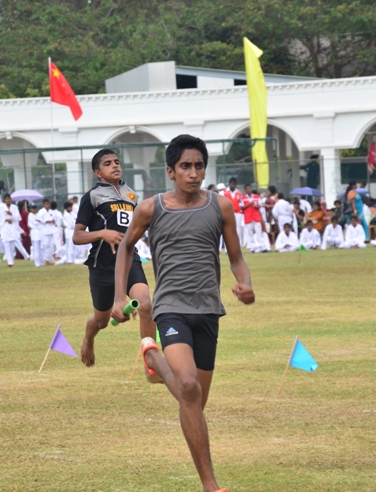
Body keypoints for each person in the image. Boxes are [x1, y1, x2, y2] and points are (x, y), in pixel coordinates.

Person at [112, 134, 254, 492]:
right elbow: (125, 248)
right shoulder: (151, 209)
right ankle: (211, 485)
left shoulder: (220, 207)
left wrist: (245, 283)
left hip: (208, 310)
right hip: (170, 309)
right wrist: (118, 296)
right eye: (186, 166)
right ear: (171, 171)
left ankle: (154, 359)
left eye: (199, 166)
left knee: (195, 402)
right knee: (188, 387)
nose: (193, 173)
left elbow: (236, 257)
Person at [73, 148, 156, 373]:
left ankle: (152, 362)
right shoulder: (92, 196)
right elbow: (77, 236)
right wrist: (102, 233)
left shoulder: (131, 195)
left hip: (130, 261)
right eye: (108, 163)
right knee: (101, 321)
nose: (115, 165)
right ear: (98, 173)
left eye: (117, 161)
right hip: (102, 266)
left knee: (146, 305)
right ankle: (89, 338)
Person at [0, 194, 22, 267]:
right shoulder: (1, 208)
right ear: (4, 200)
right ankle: (10, 263)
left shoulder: (15, 207)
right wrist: (5, 220)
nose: (8, 200)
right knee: (6, 246)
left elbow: (18, 218)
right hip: (5, 228)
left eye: (9, 198)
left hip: (12, 228)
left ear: (11, 199)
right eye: (6, 199)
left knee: (12, 247)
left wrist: (11, 215)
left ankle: (11, 262)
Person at [221, 177, 244, 247]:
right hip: (228, 213)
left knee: (238, 229)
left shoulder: (239, 192)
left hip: (238, 213)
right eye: (232, 184)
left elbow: (242, 204)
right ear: (229, 184)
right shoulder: (224, 192)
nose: (233, 185)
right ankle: (227, 247)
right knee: (228, 229)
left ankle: (238, 245)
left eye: (235, 184)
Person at [240, 184, 262, 249]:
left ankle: (260, 245)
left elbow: (260, 205)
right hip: (248, 217)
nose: (248, 190)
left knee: (258, 231)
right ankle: (252, 246)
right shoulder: (243, 198)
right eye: (247, 189)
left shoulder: (256, 196)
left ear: (251, 189)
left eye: (249, 188)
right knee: (250, 232)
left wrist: (256, 206)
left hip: (256, 216)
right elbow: (242, 207)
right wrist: (249, 204)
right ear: (245, 190)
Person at [37, 199, 57, 264]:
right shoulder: (41, 211)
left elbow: (54, 219)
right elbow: (38, 219)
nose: (47, 205)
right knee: (45, 245)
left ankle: (50, 259)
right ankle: (45, 260)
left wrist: (53, 221)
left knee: (51, 245)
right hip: (44, 230)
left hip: (51, 230)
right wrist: (46, 221)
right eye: (46, 204)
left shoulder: (51, 211)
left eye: (48, 204)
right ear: (43, 205)